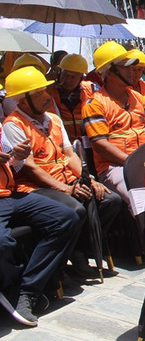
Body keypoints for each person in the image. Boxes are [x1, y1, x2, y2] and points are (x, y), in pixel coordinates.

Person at [4, 66, 122, 280]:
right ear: (23, 100)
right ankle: (67, 258)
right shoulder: (13, 124)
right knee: (76, 209)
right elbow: (29, 167)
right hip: (35, 188)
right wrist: (66, 189)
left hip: (66, 180)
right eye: (39, 93)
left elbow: (69, 154)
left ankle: (79, 250)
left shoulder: (53, 119)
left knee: (110, 200)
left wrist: (88, 179)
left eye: (44, 91)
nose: (47, 97)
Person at [0, 136, 81, 327]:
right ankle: (11, 289)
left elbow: (11, 166)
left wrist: (17, 157)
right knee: (2, 242)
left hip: (9, 194)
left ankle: (27, 291)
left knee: (66, 218)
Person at [82, 42, 145, 204]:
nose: (131, 71)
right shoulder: (95, 104)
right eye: (125, 67)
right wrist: (132, 163)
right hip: (114, 167)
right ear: (110, 72)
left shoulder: (138, 97)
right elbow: (100, 145)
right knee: (141, 198)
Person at [48, 54, 97, 145]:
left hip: (88, 141)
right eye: (65, 75)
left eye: (73, 77)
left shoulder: (91, 89)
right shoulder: (50, 93)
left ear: (81, 77)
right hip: (63, 143)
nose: (68, 80)